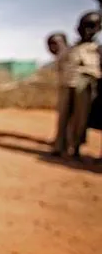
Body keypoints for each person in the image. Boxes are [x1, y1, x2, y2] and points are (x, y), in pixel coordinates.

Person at [59, 11, 102, 159]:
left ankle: (76, 147)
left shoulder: (97, 50)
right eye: (85, 26)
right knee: (63, 117)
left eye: (92, 27)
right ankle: (60, 146)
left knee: (81, 118)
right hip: (67, 84)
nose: (87, 31)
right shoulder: (71, 49)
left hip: (86, 85)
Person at [47, 32, 72, 157]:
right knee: (63, 117)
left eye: (56, 43)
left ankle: (71, 146)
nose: (53, 47)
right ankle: (62, 143)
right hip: (65, 88)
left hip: (75, 89)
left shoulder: (72, 53)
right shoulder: (59, 56)